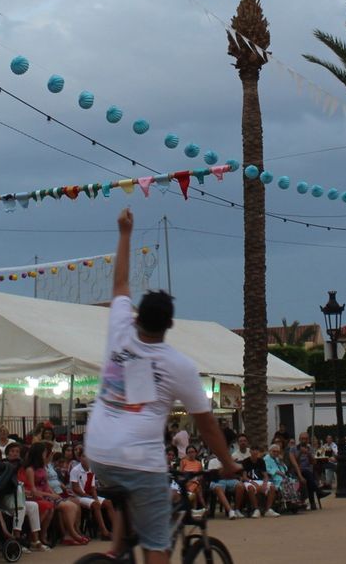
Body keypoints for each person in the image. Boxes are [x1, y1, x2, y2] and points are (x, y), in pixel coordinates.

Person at [85, 209, 238, 564]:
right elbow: (208, 425)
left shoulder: (120, 329)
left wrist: (124, 232)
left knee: (135, 493)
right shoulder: (178, 365)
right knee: (157, 541)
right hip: (140, 458)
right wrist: (228, 463)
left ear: (137, 316)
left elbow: (120, 283)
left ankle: (115, 553)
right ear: (170, 325)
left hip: (98, 451)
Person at [238, 447, 277, 517]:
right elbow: (244, 476)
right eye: (253, 450)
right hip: (249, 481)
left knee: (272, 487)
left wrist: (265, 484)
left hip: (260, 481)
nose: (255, 452)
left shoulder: (261, 461)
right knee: (250, 488)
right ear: (250, 451)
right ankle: (256, 509)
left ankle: (268, 510)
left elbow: (265, 475)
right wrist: (252, 482)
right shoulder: (245, 461)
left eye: (256, 450)